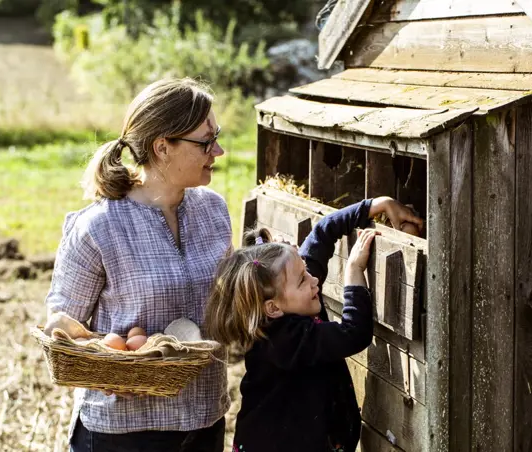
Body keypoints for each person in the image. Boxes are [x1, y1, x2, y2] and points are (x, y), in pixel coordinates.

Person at [45, 77, 232, 452]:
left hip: (204, 419)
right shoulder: (100, 226)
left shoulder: (214, 210)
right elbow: (59, 325)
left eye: (218, 136)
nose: (220, 150)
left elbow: (226, 306)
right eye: (206, 141)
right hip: (123, 431)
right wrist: (106, 366)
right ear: (163, 147)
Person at [205, 197, 423, 452]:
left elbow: (323, 232)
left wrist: (377, 205)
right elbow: (353, 333)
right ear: (273, 308)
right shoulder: (284, 341)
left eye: (306, 269)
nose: (314, 280)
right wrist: (354, 272)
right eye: (303, 278)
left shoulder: (293, 291)